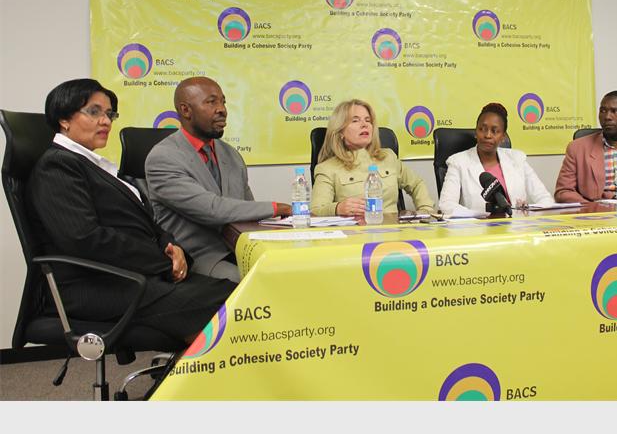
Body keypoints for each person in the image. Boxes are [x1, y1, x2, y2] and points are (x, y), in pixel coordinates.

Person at [26, 79, 235, 345]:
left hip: (129, 276)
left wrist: (171, 245)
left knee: (235, 292)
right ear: (64, 119)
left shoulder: (92, 164)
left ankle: (196, 363)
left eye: (109, 114)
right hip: (93, 286)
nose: (105, 121)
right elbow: (85, 238)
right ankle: (196, 367)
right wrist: (162, 261)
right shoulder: (57, 166)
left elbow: (145, 222)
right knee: (229, 299)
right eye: (94, 112)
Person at [145, 77, 291, 283]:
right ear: (185, 110)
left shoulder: (231, 154)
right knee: (260, 282)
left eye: (223, 102)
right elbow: (213, 209)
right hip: (198, 258)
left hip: (241, 249)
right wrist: (278, 208)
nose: (222, 109)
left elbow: (247, 209)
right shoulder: (163, 157)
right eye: (211, 102)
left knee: (292, 270)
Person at [311, 99, 435, 217]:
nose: (364, 125)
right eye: (355, 121)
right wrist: (337, 208)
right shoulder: (327, 168)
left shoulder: (388, 157)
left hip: (394, 228)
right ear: (340, 132)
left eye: (368, 120)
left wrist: (426, 211)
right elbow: (316, 211)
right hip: (355, 230)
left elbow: (417, 184)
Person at [438, 102, 554, 215]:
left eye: (494, 131)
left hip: (517, 226)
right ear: (476, 132)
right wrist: (478, 216)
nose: (488, 135)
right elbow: (446, 205)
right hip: (478, 226)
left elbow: (546, 199)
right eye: (482, 129)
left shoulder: (517, 158)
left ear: (503, 136)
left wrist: (526, 210)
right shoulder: (458, 162)